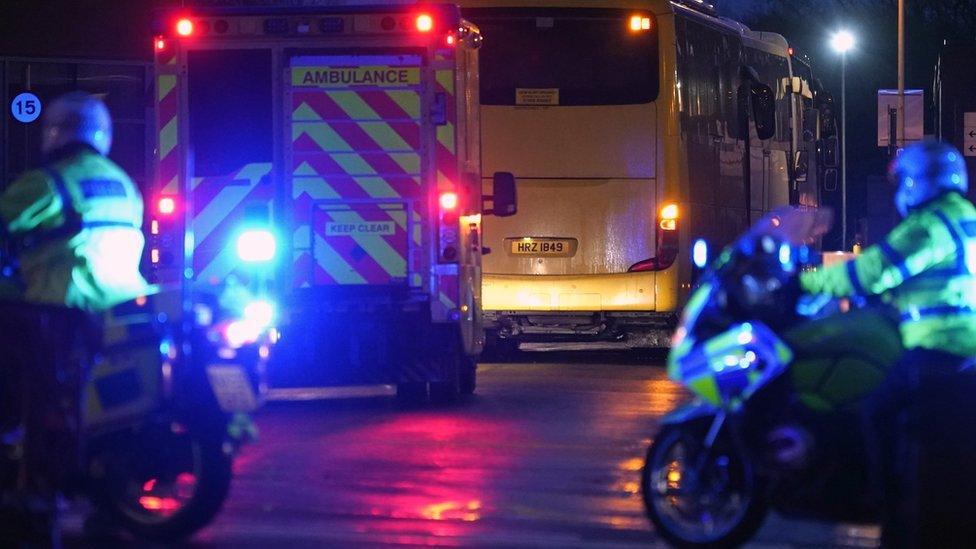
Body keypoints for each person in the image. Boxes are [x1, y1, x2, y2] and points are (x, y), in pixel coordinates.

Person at [800, 140, 976, 548]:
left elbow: (875, 271)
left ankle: (879, 497)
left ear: (916, 181)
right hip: (963, 349)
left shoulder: (928, 224)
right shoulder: (965, 215)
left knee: (870, 405)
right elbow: (930, 280)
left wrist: (803, 280)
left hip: (938, 350)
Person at [0, 91, 152, 545]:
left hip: (56, 311)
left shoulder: (47, 183)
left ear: (54, 133)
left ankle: (30, 486)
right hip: (119, 311)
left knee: (31, 399)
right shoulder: (124, 184)